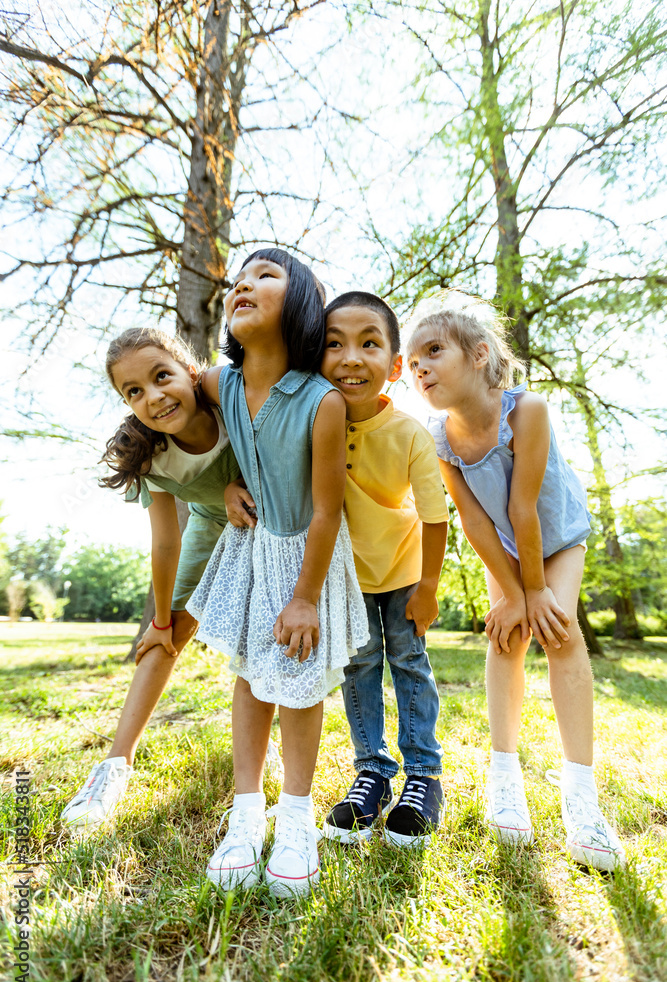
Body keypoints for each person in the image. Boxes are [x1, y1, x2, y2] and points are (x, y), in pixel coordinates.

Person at [405, 292, 625, 871]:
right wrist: (510, 594)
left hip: (556, 536)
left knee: (560, 633)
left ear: (479, 354)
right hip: (504, 549)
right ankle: (505, 777)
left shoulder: (527, 410)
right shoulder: (438, 438)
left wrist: (534, 594)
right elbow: (475, 520)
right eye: (412, 362)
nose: (419, 367)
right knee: (505, 639)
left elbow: (524, 508)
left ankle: (582, 798)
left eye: (432, 351)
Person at [186, 248, 369, 897]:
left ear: (299, 306)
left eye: (265, 275)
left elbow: (325, 511)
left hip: (305, 558)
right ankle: (244, 815)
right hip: (253, 547)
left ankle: (294, 820)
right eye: (239, 277)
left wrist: (304, 599)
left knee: (296, 681)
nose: (243, 283)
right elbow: (176, 417)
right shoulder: (217, 384)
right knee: (249, 674)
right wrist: (222, 491)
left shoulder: (321, 401)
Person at [60, 327, 281, 829]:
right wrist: (161, 621)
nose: (153, 396)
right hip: (209, 521)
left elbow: (283, 449)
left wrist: (237, 482)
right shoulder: (151, 454)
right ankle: (114, 766)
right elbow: (165, 541)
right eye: (133, 391)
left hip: (272, 518)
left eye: (162, 376)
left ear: (191, 370)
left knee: (264, 638)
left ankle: (257, 782)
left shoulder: (227, 393)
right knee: (163, 638)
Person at [316, 291, 449, 848]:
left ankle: (423, 777)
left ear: (394, 367)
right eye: (334, 344)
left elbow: (437, 516)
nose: (351, 358)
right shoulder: (312, 424)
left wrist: (429, 587)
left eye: (369, 344)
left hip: (402, 573)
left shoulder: (410, 433)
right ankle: (370, 771)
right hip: (347, 578)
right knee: (359, 667)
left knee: (409, 664)